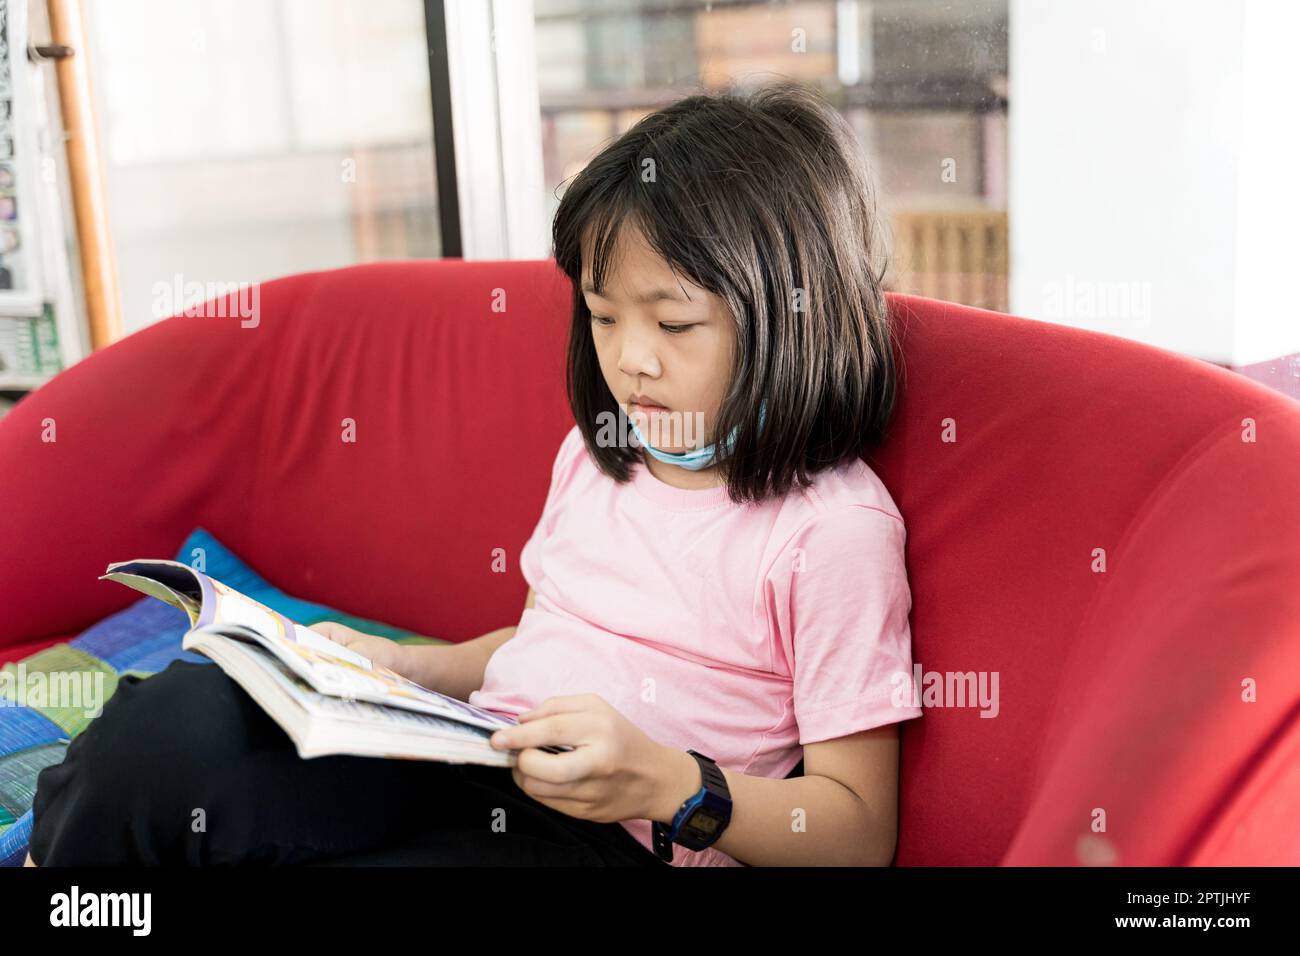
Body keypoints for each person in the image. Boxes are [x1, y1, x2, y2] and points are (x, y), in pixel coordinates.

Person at [27, 79, 922, 868]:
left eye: (674, 326)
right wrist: (398, 666)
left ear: (790, 318)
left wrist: (667, 784)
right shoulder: (600, 454)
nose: (630, 362)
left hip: (614, 839)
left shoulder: (832, 531)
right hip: (471, 756)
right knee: (173, 732)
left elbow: (855, 828)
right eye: (604, 318)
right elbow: (540, 640)